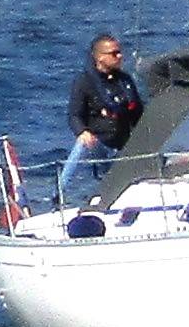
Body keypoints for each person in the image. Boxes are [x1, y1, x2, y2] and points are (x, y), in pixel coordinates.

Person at [58, 33, 146, 210]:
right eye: (114, 53)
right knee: (82, 145)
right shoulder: (84, 82)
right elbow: (74, 114)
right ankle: (60, 195)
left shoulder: (125, 81)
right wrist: (82, 132)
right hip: (98, 142)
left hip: (122, 144)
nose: (119, 57)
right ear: (99, 57)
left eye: (119, 52)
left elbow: (138, 113)